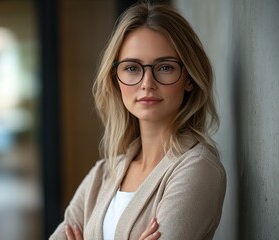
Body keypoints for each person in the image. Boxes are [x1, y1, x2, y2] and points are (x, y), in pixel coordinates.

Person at [50, 2, 226, 240]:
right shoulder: (104, 173)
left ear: (189, 78)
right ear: (116, 79)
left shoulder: (197, 168)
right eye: (132, 68)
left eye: (164, 67)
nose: (147, 83)